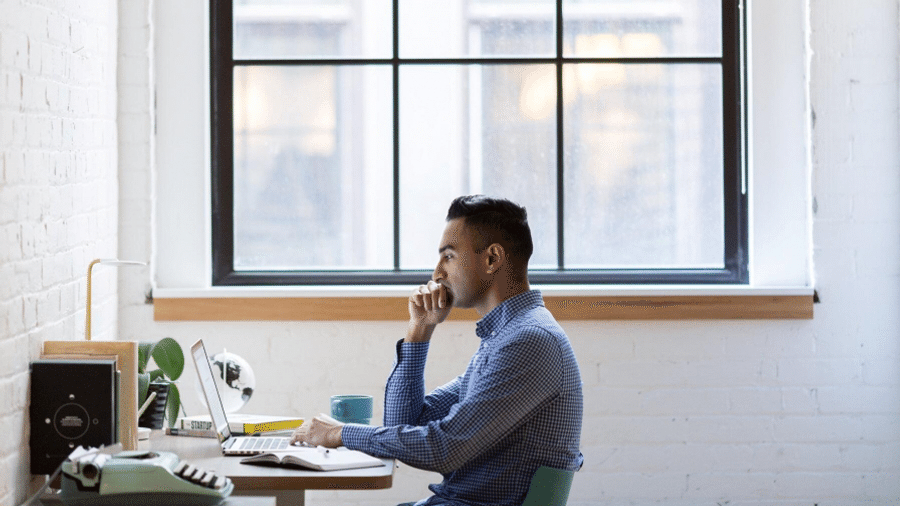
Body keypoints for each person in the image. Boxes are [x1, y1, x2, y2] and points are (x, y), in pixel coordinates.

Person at [292, 195, 583, 506]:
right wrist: (420, 330)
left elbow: (444, 449)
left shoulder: (528, 341)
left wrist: (340, 434)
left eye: (449, 256)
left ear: (492, 259)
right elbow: (402, 425)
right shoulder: (504, 338)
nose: (436, 274)